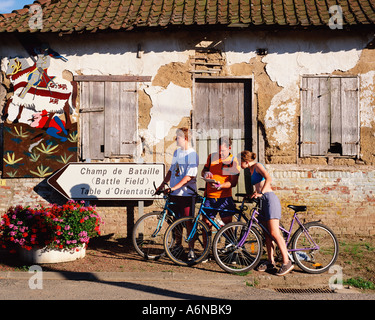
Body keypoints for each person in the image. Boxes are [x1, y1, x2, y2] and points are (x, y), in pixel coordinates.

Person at [240, 150, 294, 276]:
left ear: (246, 161)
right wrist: (253, 194)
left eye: (240, 162)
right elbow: (258, 186)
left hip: (269, 199)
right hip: (262, 201)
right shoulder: (250, 169)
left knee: (274, 232)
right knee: (267, 234)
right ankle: (271, 261)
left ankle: (287, 262)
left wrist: (262, 193)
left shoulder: (258, 166)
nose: (238, 165)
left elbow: (268, 178)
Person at [156, 127, 199, 260]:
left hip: (186, 194)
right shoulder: (176, 153)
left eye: (178, 137)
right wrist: (163, 184)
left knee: (188, 222)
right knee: (175, 222)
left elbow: (189, 176)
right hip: (175, 193)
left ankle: (191, 249)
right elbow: (171, 170)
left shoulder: (192, 155)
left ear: (185, 138)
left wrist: (174, 187)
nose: (176, 140)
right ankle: (178, 247)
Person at [201, 136, 240, 229]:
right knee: (206, 225)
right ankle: (208, 244)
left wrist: (221, 185)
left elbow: (233, 183)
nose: (220, 153)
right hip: (209, 196)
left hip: (224, 197)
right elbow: (204, 170)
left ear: (229, 148)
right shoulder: (211, 157)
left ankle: (230, 243)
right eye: (218, 150)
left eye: (222, 151)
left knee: (227, 226)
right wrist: (206, 173)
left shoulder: (233, 161)